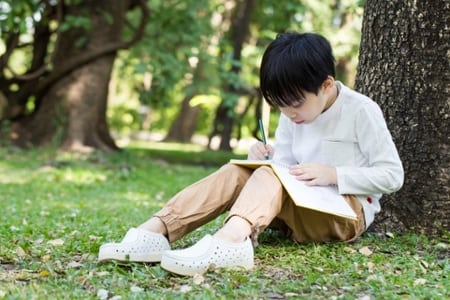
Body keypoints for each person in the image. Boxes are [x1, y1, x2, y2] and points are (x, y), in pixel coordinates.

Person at [98, 32, 404, 276]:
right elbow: (282, 168)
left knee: (267, 175)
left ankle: (231, 242)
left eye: (296, 104)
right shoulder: (291, 113)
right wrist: (263, 158)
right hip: (298, 204)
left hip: (345, 213)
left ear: (325, 85)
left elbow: (392, 175)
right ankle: (157, 230)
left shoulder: (361, 110)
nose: (289, 113)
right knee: (238, 171)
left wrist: (332, 174)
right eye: (280, 105)